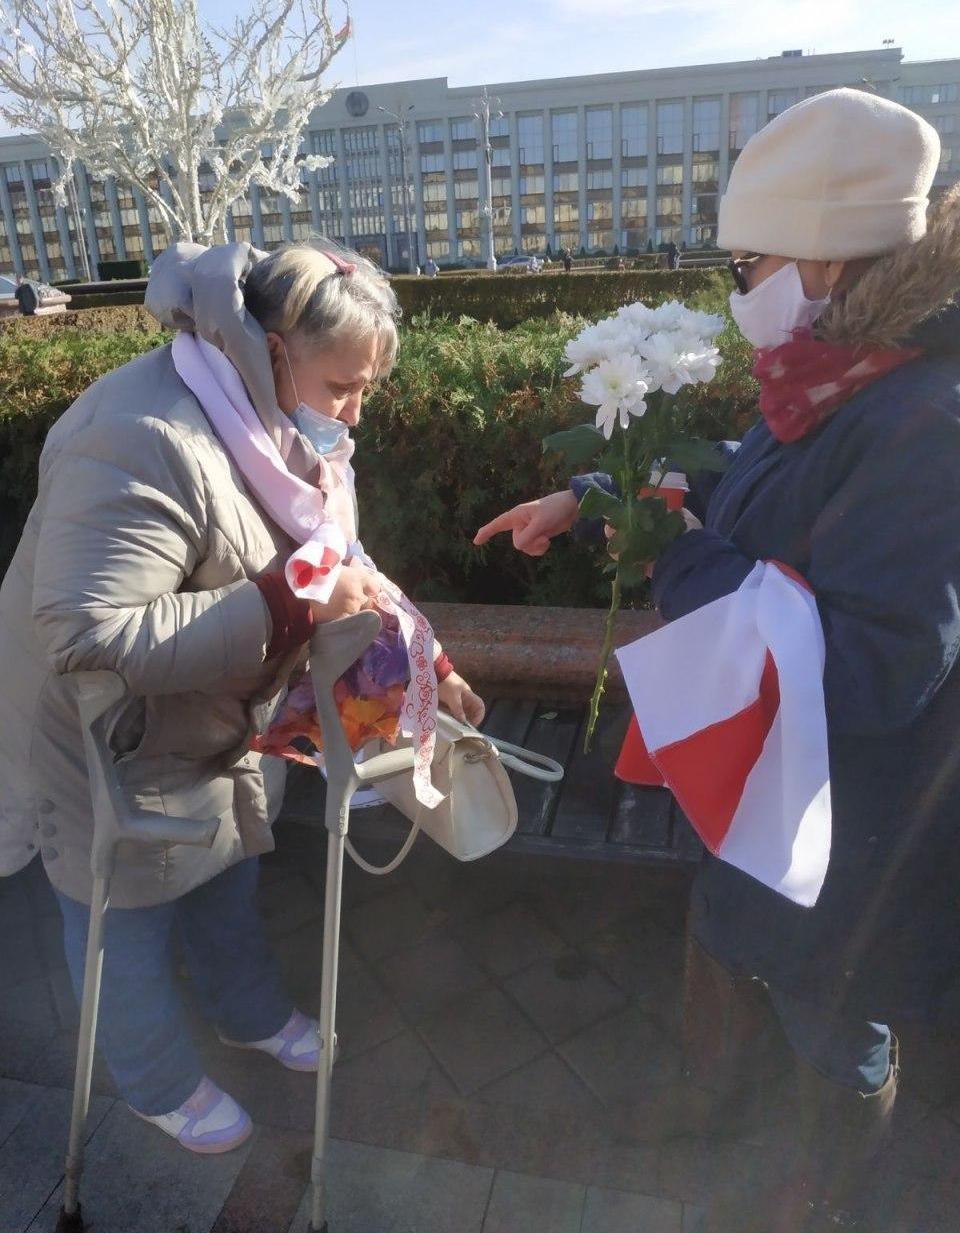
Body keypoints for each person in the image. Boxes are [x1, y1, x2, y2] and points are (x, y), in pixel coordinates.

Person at [474, 89, 960, 1231]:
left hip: (852, 840)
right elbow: (751, 492)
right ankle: (760, 1133)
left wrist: (681, 564)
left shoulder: (927, 420)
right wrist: (593, 497)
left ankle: (838, 1188)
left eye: (749, 265)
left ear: (827, 262)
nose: (737, 294)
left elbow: (876, 669)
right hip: (784, 800)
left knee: (834, 1020)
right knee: (776, 982)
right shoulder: (850, 380)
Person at [0, 238, 483, 1154]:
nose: (354, 413)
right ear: (272, 350)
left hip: (217, 712)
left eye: (365, 389)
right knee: (123, 914)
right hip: (104, 734)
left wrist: (432, 662)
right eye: (342, 386)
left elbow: (341, 560)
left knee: (228, 865)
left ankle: (246, 1012)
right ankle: (151, 1082)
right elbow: (84, 634)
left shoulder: (272, 422)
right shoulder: (141, 438)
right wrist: (288, 602)